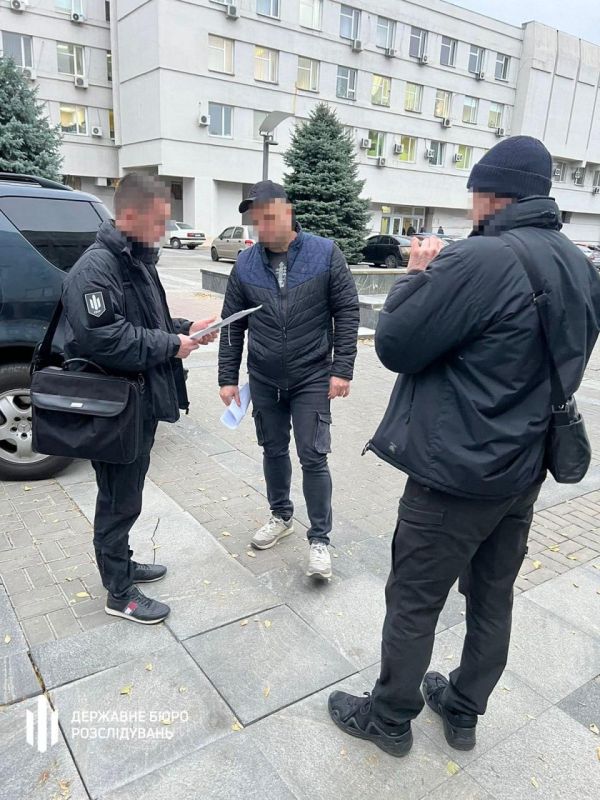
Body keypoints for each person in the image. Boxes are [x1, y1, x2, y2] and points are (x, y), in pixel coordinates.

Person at [328, 136, 600, 756]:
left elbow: (396, 345)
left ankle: (389, 717)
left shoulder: (478, 259)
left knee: (414, 599)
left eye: (475, 193)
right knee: (492, 597)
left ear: (493, 195)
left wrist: (416, 275)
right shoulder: (581, 266)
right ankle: (463, 708)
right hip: (523, 469)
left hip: (456, 474)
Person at [62, 173, 217, 624]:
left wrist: (186, 330)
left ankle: (123, 564)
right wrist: (171, 345)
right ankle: (119, 592)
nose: (164, 231)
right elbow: (104, 339)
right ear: (129, 216)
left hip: (137, 403)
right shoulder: (96, 268)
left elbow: (150, 320)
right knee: (118, 499)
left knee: (126, 494)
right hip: (114, 406)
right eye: (158, 222)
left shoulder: (136, 260)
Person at [218, 181, 359, 579]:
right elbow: (232, 325)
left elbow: (347, 311)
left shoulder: (324, 253)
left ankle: (320, 539)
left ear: (288, 212)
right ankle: (281, 516)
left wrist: (342, 369)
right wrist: (227, 377)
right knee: (272, 449)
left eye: (268, 217)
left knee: (313, 455)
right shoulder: (246, 264)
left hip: (311, 374)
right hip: (264, 377)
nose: (261, 226)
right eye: (256, 219)